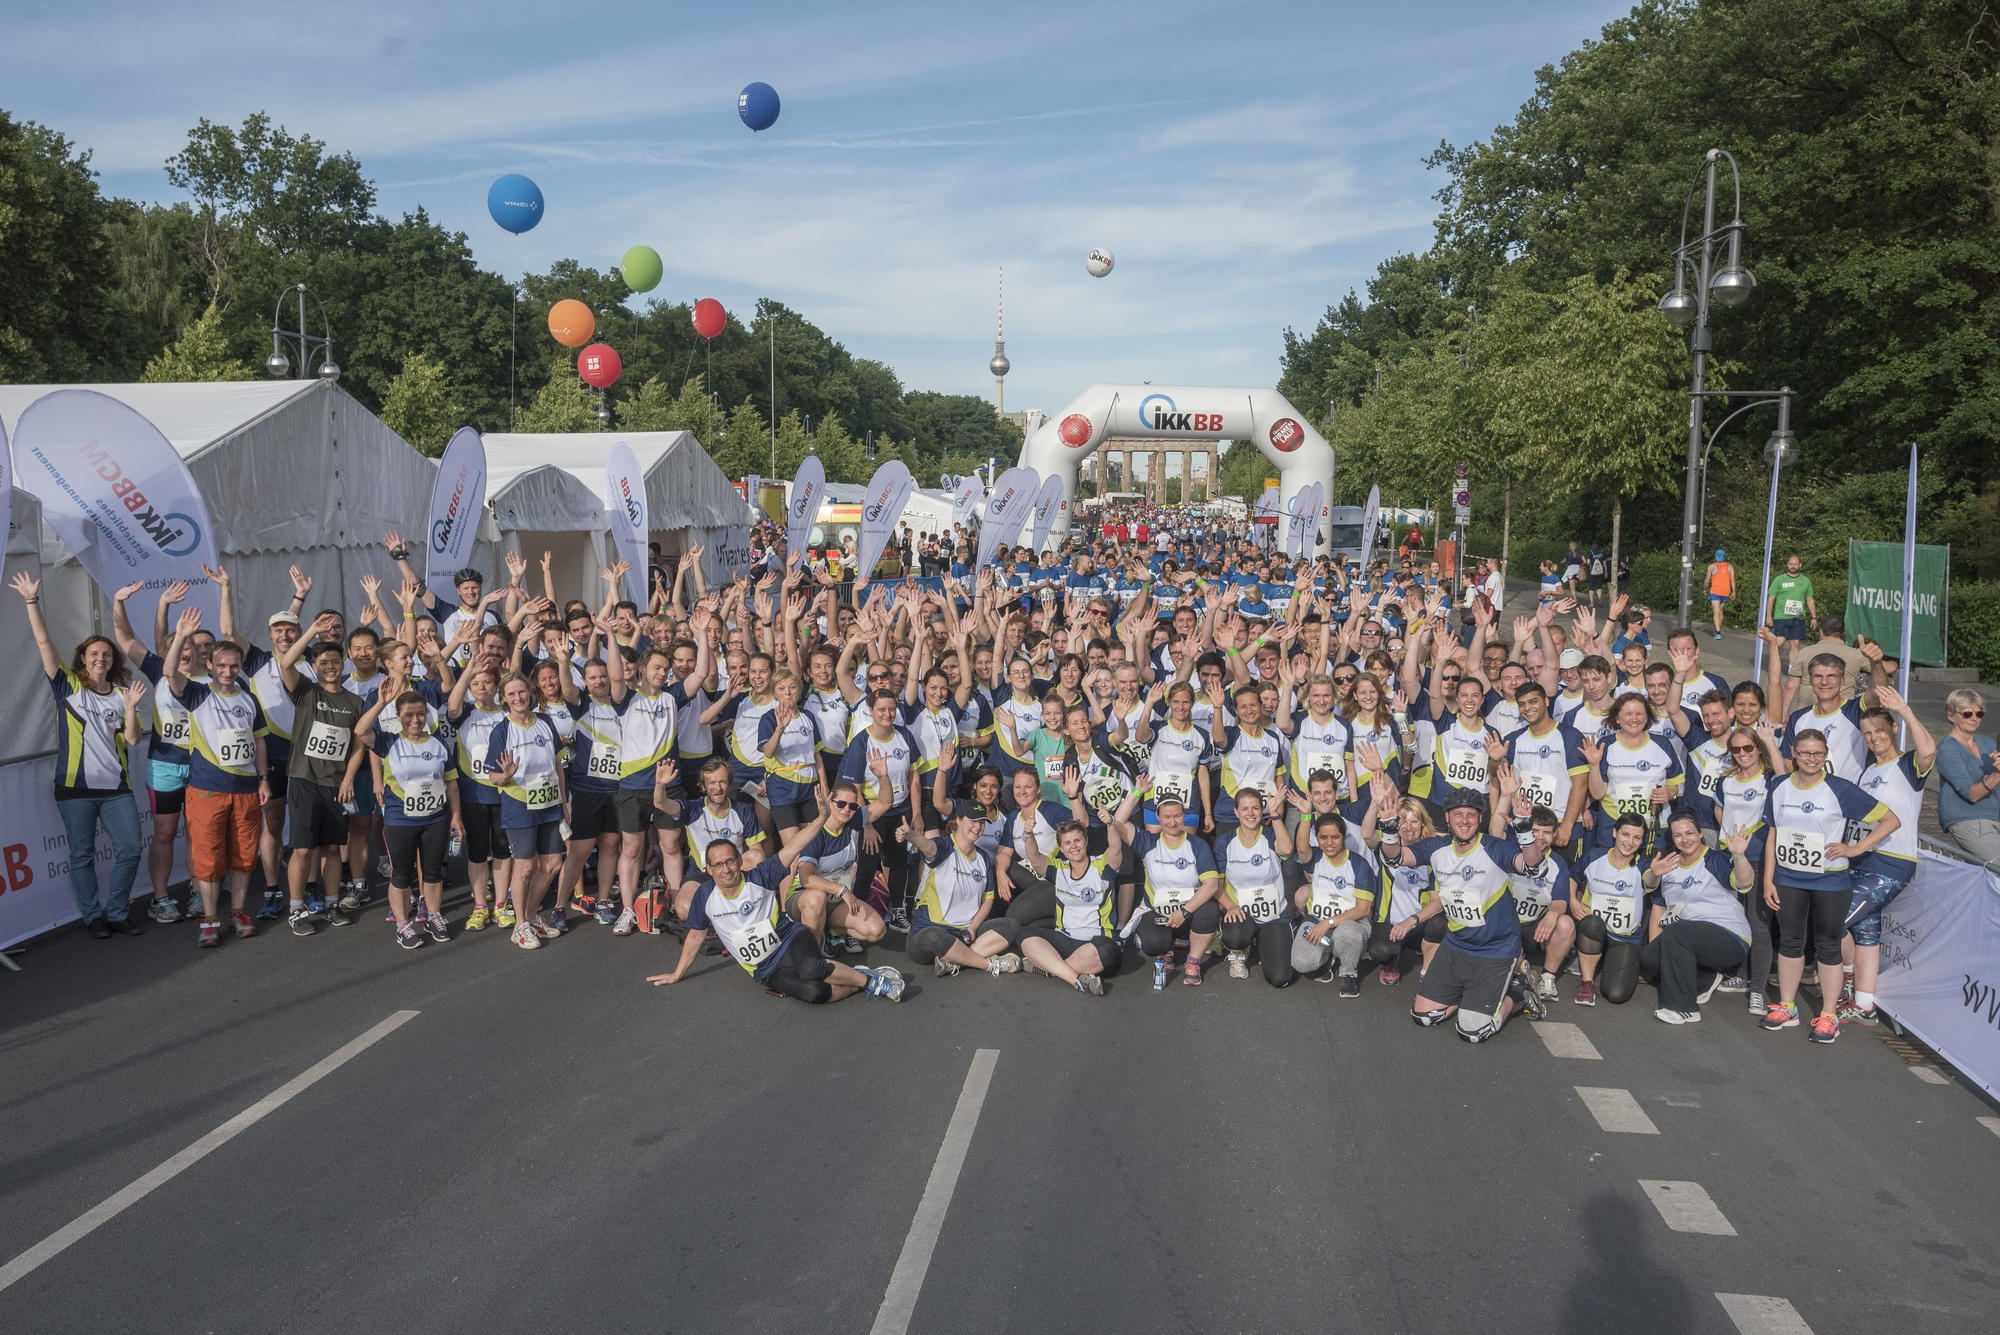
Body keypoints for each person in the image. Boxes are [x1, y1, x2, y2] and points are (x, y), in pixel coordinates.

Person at [12, 572, 147, 938]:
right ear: (83, 660)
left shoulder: (122, 694)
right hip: (74, 791)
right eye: (93, 654)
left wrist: (132, 708)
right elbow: (43, 641)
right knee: (82, 856)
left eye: (106, 654)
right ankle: (93, 917)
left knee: (131, 850)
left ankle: (117, 912)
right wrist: (31, 601)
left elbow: (133, 741)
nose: (100, 658)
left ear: (112, 660)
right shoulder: (68, 687)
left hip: (116, 789)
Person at [1759, 728, 1898, 1044]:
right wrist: (1768, 878)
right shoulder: (1778, 785)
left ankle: (1829, 1014)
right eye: (1805, 753)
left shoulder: (1840, 789)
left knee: (1828, 946)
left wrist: (1855, 849)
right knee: (1791, 943)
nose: (1811, 759)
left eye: (1818, 754)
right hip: (1788, 878)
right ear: (1794, 753)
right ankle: (1788, 1006)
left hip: (1830, 881)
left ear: (1825, 756)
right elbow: (1772, 834)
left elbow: (1890, 820)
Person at [647, 839, 904, 1003]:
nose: (725, 869)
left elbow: (791, 848)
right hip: (765, 968)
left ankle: (875, 983)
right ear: (709, 869)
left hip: (789, 938)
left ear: (738, 861)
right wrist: (677, 974)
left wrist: (822, 817)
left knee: (812, 968)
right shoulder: (705, 896)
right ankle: (858, 979)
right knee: (814, 993)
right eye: (718, 865)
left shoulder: (759, 876)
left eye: (729, 862)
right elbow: (695, 935)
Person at [1389, 793, 1548, 1042]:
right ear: (1447, 818)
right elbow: (1394, 856)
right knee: (1424, 1016)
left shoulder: (1494, 848)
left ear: (1480, 818)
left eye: (1471, 815)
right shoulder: (1437, 848)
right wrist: (1389, 824)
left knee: (1471, 1032)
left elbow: (1534, 866)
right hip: (1456, 946)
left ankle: (1518, 992)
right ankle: (1473, 995)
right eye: (1458, 815)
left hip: (1495, 950)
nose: (1464, 820)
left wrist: (1526, 832)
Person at [162, 608, 272, 947]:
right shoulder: (196, 693)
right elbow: (169, 673)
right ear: (209, 665)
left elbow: (258, 740)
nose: (227, 671)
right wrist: (180, 635)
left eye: (234, 666)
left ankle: (238, 912)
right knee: (208, 856)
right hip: (207, 789)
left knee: (243, 855)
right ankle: (210, 919)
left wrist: (263, 778)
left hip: (245, 791)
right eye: (221, 665)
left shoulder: (249, 697)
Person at [1839, 685, 1936, 1025]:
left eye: (1879, 730)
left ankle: (1846, 980)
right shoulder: (1868, 772)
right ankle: (1863, 1003)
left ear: (1893, 729)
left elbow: (1929, 750)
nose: (1873, 737)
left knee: (1832, 919)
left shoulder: (1907, 765)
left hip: (1891, 863)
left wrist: (1905, 709)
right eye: (1867, 733)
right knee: (1865, 932)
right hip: (1861, 861)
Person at [275, 615, 365, 934]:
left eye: (335, 660)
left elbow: (358, 746)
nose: (330, 666)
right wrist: (312, 630)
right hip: (304, 781)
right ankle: (297, 909)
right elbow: (286, 663)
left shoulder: (354, 701)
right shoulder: (306, 692)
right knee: (303, 849)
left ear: (344, 663)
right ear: (314, 666)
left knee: (331, 849)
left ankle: (331, 904)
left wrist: (349, 778)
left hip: (335, 785)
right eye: (323, 661)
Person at [354, 687, 462, 948]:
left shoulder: (438, 744)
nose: (416, 720)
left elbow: (452, 784)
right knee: (401, 874)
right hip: (400, 819)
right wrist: (380, 703)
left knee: (433, 872)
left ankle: (434, 916)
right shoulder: (389, 741)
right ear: (399, 716)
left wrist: (456, 817)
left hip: (435, 818)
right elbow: (360, 731)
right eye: (409, 715)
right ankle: (403, 924)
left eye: (421, 714)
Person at [1641, 812, 1755, 1023]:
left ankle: (1683, 1008)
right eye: (1678, 835)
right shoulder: (1668, 864)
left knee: (1679, 931)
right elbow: (1656, 901)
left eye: (1690, 833)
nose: (1685, 839)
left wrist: (1739, 855)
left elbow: (1744, 883)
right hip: (1687, 937)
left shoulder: (1714, 860)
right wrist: (1655, 874)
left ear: (1701, 833)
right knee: (1649, 956)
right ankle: (1706, 980)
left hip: (1729, 936)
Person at [485, 672, 568, 948]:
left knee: (553, 864)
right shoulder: (502, 731)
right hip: (519, 804)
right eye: (511, 694)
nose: (518, 698)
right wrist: (505, 774)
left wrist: (564, 802)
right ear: (504, 699)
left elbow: (558, 765)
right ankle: (519, 925)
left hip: (549, 802)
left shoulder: (545, 721)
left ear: (530, 694)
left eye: (521, 692)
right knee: (524, 868)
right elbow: (493, 777)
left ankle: (532, 917)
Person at [901, 799, 1024, 978]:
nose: (978, 827)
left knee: (1011, 925)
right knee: (936, 936)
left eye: (982, 822)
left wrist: (973, 928)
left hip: (964, 934)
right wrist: (912, 837)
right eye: (973, 821)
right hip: (929, 933)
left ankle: (953, 960)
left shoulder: (982, 858)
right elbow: (929, 848)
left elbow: (988, 898)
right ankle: (988, 964)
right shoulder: (944, 846)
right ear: (958, 820)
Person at [1017, 818, 1121, 996]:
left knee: (1108, 950)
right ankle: (1076, 979)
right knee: (1024, 935)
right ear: (1062, 848)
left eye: (1077, 840)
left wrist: (1111, 825)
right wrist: (1028, 834)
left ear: (1086, 841)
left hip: (1095, 943)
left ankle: (1048, 967)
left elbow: (1116, 849)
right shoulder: (1059, 869)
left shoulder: (1102, 866)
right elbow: (1034, 858)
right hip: (1065, 939)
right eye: (1067, 843)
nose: (1073, 846)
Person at [1132, 794, 1225, 988]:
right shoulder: (1148, 842)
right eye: (1166, 817)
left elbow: (1211, 884)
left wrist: (1185, 912)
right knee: (1154, 944)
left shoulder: (1197, 844)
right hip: (1157, 911)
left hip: (1189, 912)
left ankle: (1193, 961)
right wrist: (1137, 793)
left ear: (1184, 815)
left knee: (1208, 911)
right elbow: (1120, 822)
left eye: (1177, 816)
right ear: (1157, 817)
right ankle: (1166, 951)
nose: (1172, 822)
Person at [1213, 788, 1298, 986]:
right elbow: (1216, 885)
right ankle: (1238, 952)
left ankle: (1263, 942)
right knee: (1235, 936)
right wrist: (1230, 906)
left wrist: (1275, 814)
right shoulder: (1225, 842)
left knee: (1280, 978)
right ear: (1236, 812)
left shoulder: (1270, 835)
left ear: (1262, 811)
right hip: (1240, 914)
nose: (1250, 813)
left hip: (1273, 914)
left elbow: (1286, 849)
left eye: (1255, 808)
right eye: (1244, 809)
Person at [1291, 812, 1376, 994]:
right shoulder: (1315, 858)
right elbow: (1301, 848)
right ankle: (1326, 957)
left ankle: (1348, 973)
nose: (1329, 843)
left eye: (1335, 837)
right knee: (1301, 962)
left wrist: (1328, 923)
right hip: (1317, 921)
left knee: (1348, 933)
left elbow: (1363, 909)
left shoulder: (1359, 865)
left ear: (1343, 837)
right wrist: (1306, 816)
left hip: (1350, 924)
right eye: (1323, 837)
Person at [1574, 813, 1651, 1005]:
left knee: (1616, 994)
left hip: (1624, 938)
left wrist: (1656, 874)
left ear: (1642, 841)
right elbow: (1571, 877)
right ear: (1615, 833)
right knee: (1591, 923)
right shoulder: (1595, 856)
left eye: (1636, 837)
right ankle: (1587, 983)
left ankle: (1608, 961)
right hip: (1594, 931)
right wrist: (1572, 903)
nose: (1629, 842)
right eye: (1625, 834)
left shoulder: (1644, 864)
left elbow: (1651, 881)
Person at [1935, 688, 2000, 865]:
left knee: (1984, 878)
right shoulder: (1947, 749)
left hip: (1995, 816)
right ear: (1951, 716)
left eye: (1979, 713)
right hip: (1970, 819)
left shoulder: (1987, 743)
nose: (1974, 718)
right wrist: (1996, 774)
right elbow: (1971, 794)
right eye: (1967, 713)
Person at [1762, 555, 1817, 674]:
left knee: (1795, 643)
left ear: (1800, 565)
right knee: (1780, 642)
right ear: (1787, 564)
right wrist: (1768, 616)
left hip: (1799, 616)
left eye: (1795, 564)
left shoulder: (1805, 580)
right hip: (1781, 616)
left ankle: (1792, 669)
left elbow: (1809, 599)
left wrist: (1814, 617)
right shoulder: (1779, 579)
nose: (1793, 566)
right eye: (1791, 564)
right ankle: (1774, 663)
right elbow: (1771, 598)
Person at [1704, 549, 1736, 638]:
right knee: (1720, 611)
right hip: (1725, 592)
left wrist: (1704, 588)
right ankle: (1717, 630)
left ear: (1715, 556)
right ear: (1724, 556)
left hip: (1715, 592)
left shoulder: (1712, 567)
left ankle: (1718, 633)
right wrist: (1733, 592)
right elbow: (1732, 580)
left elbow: (1707, 580)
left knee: (1716, 611)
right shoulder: (1729, 566)